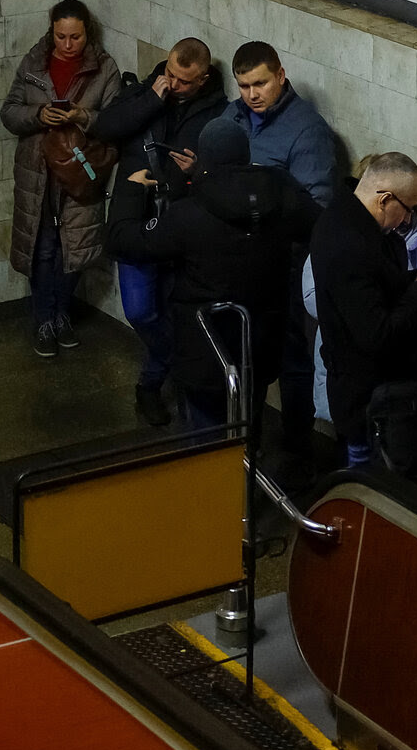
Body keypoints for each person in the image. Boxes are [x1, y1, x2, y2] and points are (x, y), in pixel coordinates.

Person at [104, 118, 321, 432]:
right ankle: (248, 471)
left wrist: (129, 191)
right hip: (260, 342)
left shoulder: (188, 214)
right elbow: (320, 224)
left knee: (206, 438)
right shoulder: (282, 194)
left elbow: (127, 241)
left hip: (204, 348)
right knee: (249, 423)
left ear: (203, 160)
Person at [91, 38, 227, 425]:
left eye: (183, 81)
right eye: (169, 73)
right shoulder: (144, 91)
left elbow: (221, 170)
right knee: (140, 310)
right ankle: (183, 367)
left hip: (178, 226)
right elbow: (106, 127)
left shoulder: (216, 113)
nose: (174, 83)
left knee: (173, 309)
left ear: (201, 80)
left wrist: (195, 172)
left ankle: (151, 384)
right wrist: (152, 98)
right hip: (133, 220)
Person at [223, 41, 338, 455]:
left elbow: (318, 208)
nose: (252, 94)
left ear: (281, 76)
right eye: (244, 86)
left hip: (286, 264)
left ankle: (296, 447)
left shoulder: (307, 132)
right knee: (245, 355)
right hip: (240, 259)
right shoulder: (233, 115)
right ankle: (243, 442)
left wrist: (264, 198)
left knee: (293, 359)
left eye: (260, 83)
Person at [303, 154, 417, 433]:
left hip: (374, 394)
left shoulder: (344, 218)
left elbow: (375, 284)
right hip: (370, 403)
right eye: (408, 208)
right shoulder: (350, 245)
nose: (407, 219)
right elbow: (377, 334)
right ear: (384, 200)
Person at [0, 0, 120, 357]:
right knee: (43, 248)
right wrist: (40, 114)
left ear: (88, 33)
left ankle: (61, 314)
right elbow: (9, 113)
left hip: (79, 173)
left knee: (75, 250)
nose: (68, 45)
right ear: (51, 31)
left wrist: (83, 116)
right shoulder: (34, 64)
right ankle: (43, 320)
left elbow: (115, 121)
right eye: (61, 37)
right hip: (38, 172)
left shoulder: (104, 69)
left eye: (76, 37)